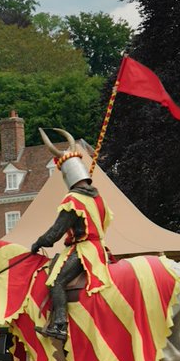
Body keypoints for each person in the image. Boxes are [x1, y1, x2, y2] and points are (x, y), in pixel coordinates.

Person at [29, 128, 114, 341]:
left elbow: (55, 234)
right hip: (100, 247)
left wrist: (38, 243)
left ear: (67, 175)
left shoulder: (73, 200)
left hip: (84, 249)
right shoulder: (98, 198)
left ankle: (59, 325)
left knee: (55, 282)